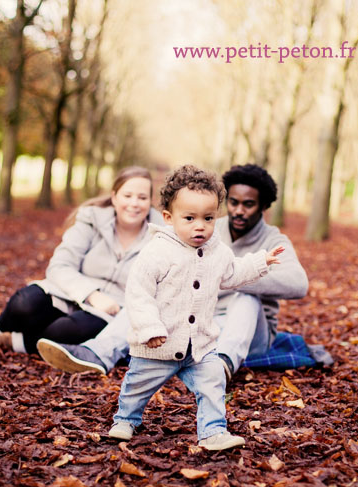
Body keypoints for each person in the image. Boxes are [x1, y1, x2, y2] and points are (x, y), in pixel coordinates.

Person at [35, 163, 308, 379]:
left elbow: (298, 284)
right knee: (153, 297)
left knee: (247, 298)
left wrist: (234, 276)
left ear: (263, 206)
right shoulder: (209, 227)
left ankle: (221, 365)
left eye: (248, 204)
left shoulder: (274, 240)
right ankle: (95, 353)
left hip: (249, 333)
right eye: (233, 202)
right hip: (202, 321)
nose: (238, 210)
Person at [106, 165, 283, 451]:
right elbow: (139, 293)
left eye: (208, 218)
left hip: (199, 346)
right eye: (189, 218)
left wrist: (260, 262)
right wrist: (149, 328)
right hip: (158, 344)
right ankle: (126, 418)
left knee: (213, 382)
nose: (200, 225)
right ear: (168, 217)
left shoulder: (217, 249)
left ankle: (213, 431)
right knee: (138, 385)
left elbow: (232, 273)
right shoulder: (157, 251)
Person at [0, 166, 163, 356]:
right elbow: (59, 266)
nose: (134, 203)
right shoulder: (92, 220)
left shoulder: (160, 237)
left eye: (142, 197)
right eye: (127, 196)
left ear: (150, 202)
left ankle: (12, 341)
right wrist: (91, 294)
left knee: (64, 332)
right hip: (68, 292)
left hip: (112, 310)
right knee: (23, 304)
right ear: (114, 197)